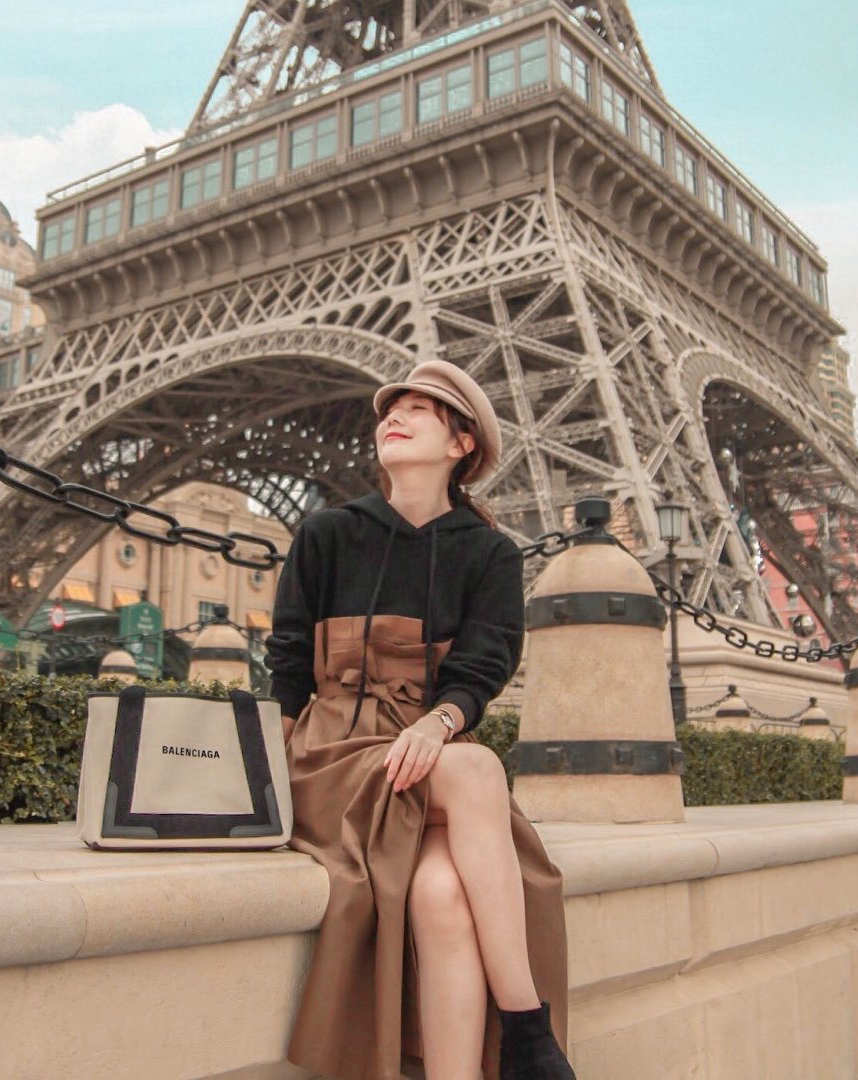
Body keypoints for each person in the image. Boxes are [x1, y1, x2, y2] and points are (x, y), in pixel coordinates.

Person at [265, 360, 576, 1080]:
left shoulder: (490, 552)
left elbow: (484, 665)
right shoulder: (326, 533)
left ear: (462, 444)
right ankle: (527, 1029)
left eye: (418, 410)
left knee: (441, 895)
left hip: (422, 754)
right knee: (477, 768)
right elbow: (287, 659)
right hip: (331, 754)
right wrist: (268, 773)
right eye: (389, 411)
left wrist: (435, 724)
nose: (393, 418)